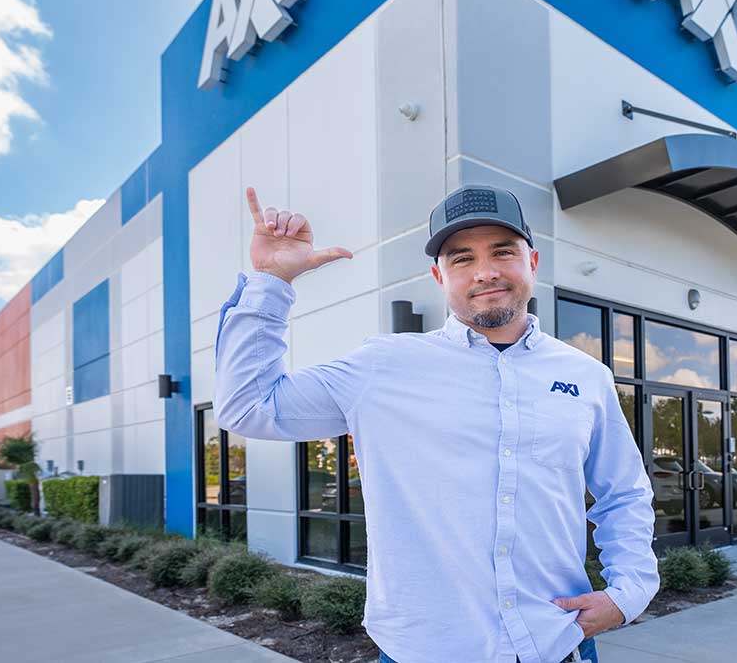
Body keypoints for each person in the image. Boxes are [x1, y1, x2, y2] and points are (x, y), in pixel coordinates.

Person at [212, 182, 658, 663]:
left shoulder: (585, 376)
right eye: (461, 258)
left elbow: (624, 493)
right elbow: (250, 408)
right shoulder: (383, 366)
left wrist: (627, 593)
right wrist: (271, 283)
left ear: (531, 262)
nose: (485, 272)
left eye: (502, 251)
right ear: (438, 275)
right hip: (424, 650)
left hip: (557, 644)